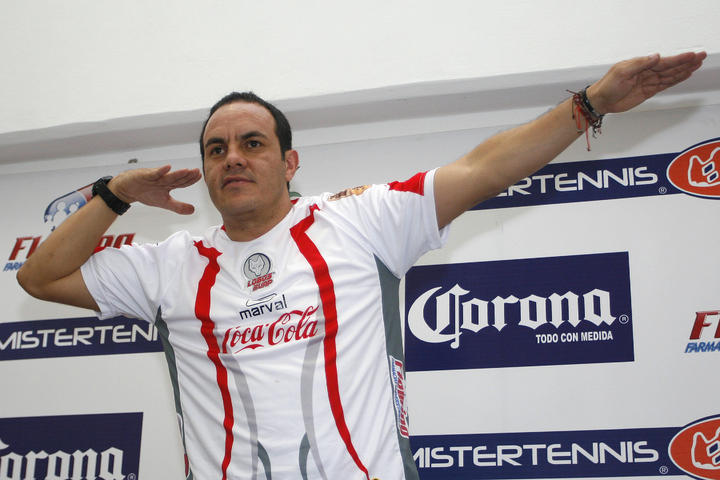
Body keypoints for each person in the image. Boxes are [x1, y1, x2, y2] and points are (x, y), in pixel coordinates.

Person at [16, 51, 706, 480]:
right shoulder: (168, 265)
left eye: (252, 143)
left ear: (289, 162)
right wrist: (114, 194)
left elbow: (483, 168)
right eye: (216, 149)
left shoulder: (359, 220)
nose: (232, 159)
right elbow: (39, 277)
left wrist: (589, 104)